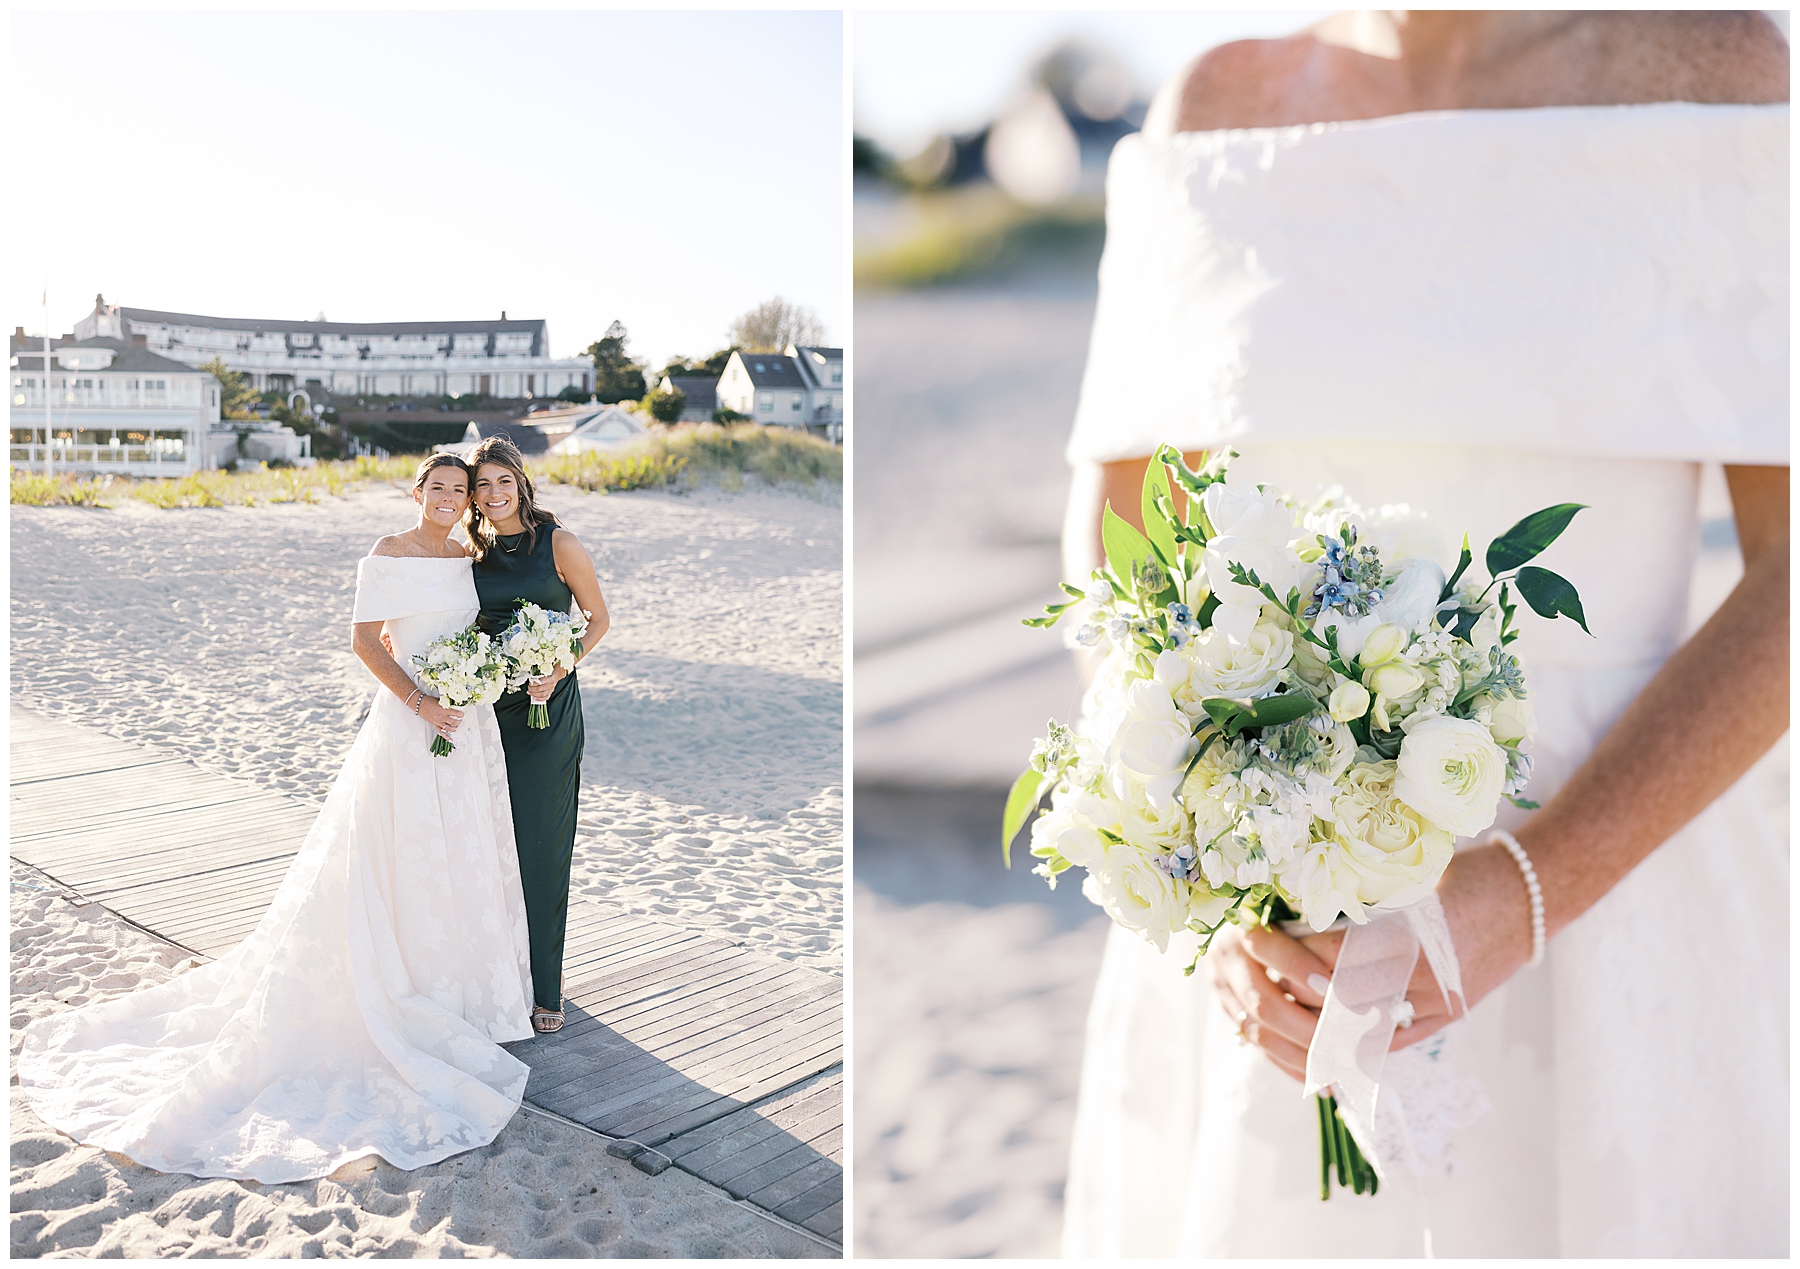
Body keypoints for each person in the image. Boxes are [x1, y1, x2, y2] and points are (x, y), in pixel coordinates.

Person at [1057, 11, 1788, 1258]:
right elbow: (1121, 551)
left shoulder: (1711, 72)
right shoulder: (1217, 108)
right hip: (1275, 920)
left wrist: (1522, 894)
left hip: (1614, 873)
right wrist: (1211, 882)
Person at [19, 454, 537, 1183]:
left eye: (461, 490)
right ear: (418, 492)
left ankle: (457, 992)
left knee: (460, 848)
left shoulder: (465, 557)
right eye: (440, 488)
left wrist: (472, 681)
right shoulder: (387, 552)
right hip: (409, 718)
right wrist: (422, 700)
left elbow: (470, 630)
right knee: (398, 849)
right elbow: (366, 641)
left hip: (464, 719)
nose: (451, 498)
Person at [465, 437, 611, 1035]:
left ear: (522, 484)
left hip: (547, 711)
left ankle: (546, 988)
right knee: (487, 844)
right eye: (482, 485)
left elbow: (598, 619)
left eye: (504, 481)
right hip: (485, 713)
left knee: (543, 845)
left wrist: (561, 663)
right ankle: (499, 978)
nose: (493, 493)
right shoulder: (469, 554)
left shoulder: (560, 544)